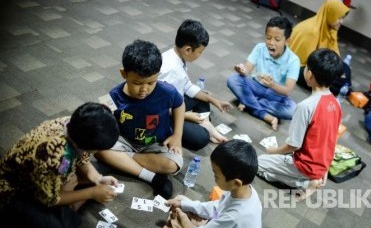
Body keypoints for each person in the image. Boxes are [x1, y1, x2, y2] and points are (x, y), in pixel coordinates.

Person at [0, 102, 119, 228]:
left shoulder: (74, 123)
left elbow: (83, 156)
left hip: (46, 177)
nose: (94, 153)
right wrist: (92, 193)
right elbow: (51, 199)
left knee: (98, 173)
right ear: (85, 144)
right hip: (13, 193)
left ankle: (71, 197)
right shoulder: (51, 157)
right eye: (95, 149)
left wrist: (98, 179)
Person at [95, 39, 185, 199]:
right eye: (137, 83)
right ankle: (151, 177)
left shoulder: (167, 91)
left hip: (156, 143)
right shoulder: (112, 96)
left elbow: (180, 105)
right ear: (123, 74)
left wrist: (177, 135)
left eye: (151, 82)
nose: (144, 89)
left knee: (173, 164)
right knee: (99, 149)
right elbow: (103, 124)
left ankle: (124, 162)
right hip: (126, 141)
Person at [146, 140, 262, 228]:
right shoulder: (244, 190)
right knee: (181, 201)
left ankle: (186, 227)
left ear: (236, 183)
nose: (214, 178)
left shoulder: (237, 217)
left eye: (216, 175)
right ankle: (187, 225)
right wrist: (184, 205)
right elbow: (217, 207)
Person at [257, 48, 343, 200]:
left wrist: (273, 151)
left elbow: (293, 146)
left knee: (257, 163)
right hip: (320, 165)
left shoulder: (306, 106)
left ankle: (303, 183)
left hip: (302, 166)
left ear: (309, 74)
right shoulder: (336, 104)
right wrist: (325, 169)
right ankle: (310, 179)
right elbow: (332, 140)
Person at [158, 19, 232, 151]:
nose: (200, 55)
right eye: (200, 52)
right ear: (188, 49)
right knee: (201, 139)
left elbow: (186, 86)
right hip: (164, 115)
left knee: (204, 97)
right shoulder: (171, 71)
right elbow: (159, 107)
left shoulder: (177, 56)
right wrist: (186, 116)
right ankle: (205, 127)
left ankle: (205, 124)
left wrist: (214, 100)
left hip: (176, 103)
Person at [227, 16, 300, 130]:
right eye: (268, 37)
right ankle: (264, 115)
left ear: (287, 41)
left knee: (293, 110)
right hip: (255, 86)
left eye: (277, 39)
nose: (271, 43)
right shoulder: (260, 48)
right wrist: (242, 70)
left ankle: (248, 101)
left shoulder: (293, 60)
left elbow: (288, 91)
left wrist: (272, 85)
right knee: (233, 79)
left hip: (276, 94)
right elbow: (246, 70)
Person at [288, 0, 350, 93]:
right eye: (339, 18)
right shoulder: (311, 31)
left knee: (345, 68)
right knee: (331, 84)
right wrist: (331, 71)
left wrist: (339, 70)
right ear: (330, 14)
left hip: (318, 61)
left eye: (343, 18)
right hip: (299, 67)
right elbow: (308, 62)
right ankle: (341, 86)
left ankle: (341, 85)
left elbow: (334, 55)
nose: (341, 22)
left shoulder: (330, 29)